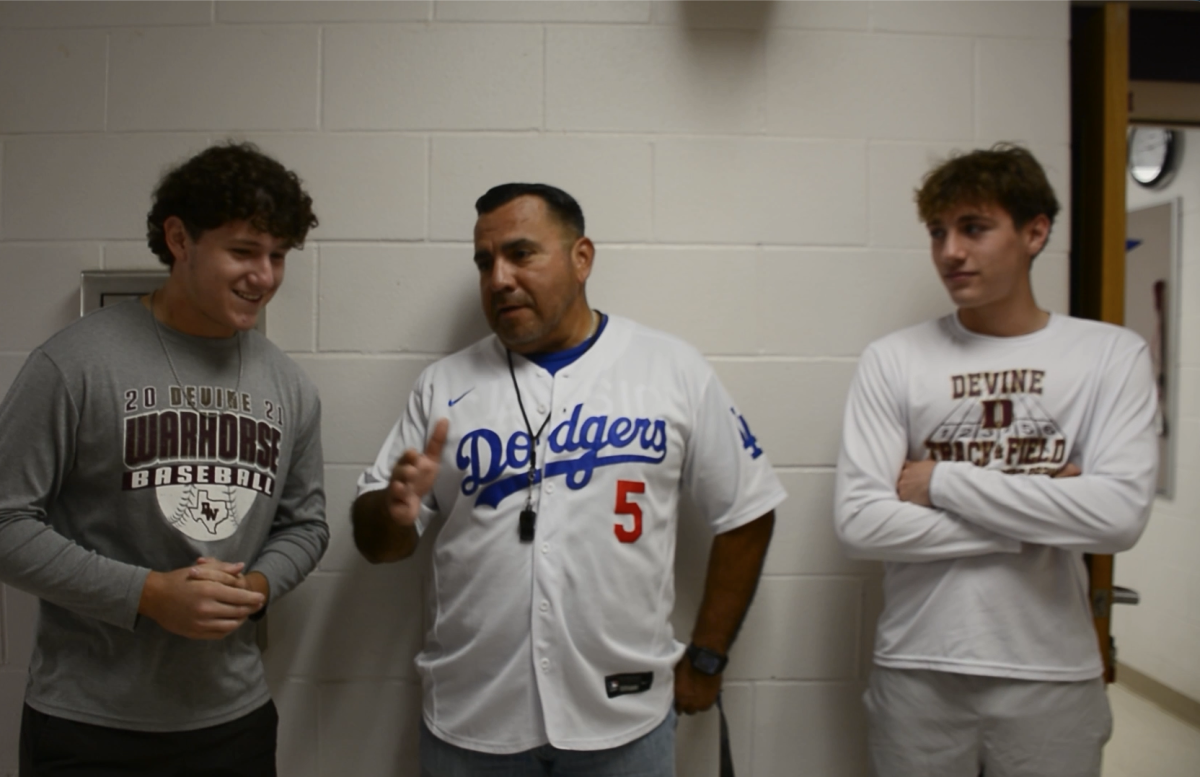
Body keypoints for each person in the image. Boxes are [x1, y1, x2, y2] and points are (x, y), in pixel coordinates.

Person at [353, 183, 785, 775]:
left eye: (521, 254)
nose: (498, 278)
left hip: (625, 727)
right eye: (485, 262)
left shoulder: (670, 369)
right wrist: (391, 513)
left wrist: (707, 657)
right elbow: (379, 544)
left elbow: (748, 510)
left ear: (581, 258)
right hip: (472, 725)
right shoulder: (445, 385)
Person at [1, 142, 328, 776]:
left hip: (233, 722)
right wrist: (148, 594)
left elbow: (305, 525)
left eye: (278, 256)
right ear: (179, 239)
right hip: (87, 725)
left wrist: (256, 589)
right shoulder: (75, 364)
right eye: (243, 251)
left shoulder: (288, 386)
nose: (265, 275)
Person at [835, 144, 1157, 777]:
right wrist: (1043, 510)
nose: (950, 251)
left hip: (1053, 673)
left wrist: (942, 479)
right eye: (938, 232)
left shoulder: (1109, 355)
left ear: (1034, 232)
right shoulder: (894, 359)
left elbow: (1118, 518)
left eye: (974, 228)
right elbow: (860, 524)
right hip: (919, 667)